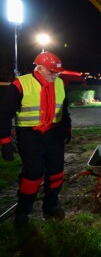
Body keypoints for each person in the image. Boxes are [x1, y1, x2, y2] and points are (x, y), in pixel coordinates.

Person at [0, 52, 71, 227]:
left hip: (53, 135)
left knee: (56, 172)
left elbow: (64, 109)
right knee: (33, 173)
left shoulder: (59, 83)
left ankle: (51, 205)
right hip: (29, 136)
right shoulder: (20, 84)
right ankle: (23, 210)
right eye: (52, 72)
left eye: (57, 72)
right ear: (39, 68)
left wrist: (67, 127)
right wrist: (5, 141)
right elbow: (4, 114)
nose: (56, 75)